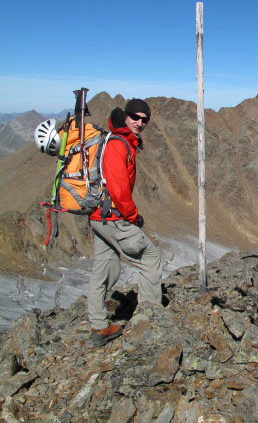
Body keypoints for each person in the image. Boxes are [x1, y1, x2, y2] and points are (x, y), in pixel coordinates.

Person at [87, 98, 163, 347]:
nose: (140, 123)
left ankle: (100, 327)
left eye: (145, 119)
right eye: (136, 117)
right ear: (125, 116)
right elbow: (119, 190)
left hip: (99, 217)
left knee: (104, 269)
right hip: (114, 217)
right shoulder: (118, 145)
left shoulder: (116, 140)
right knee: (150, 257)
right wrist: (133, 217)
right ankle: (151, 321)